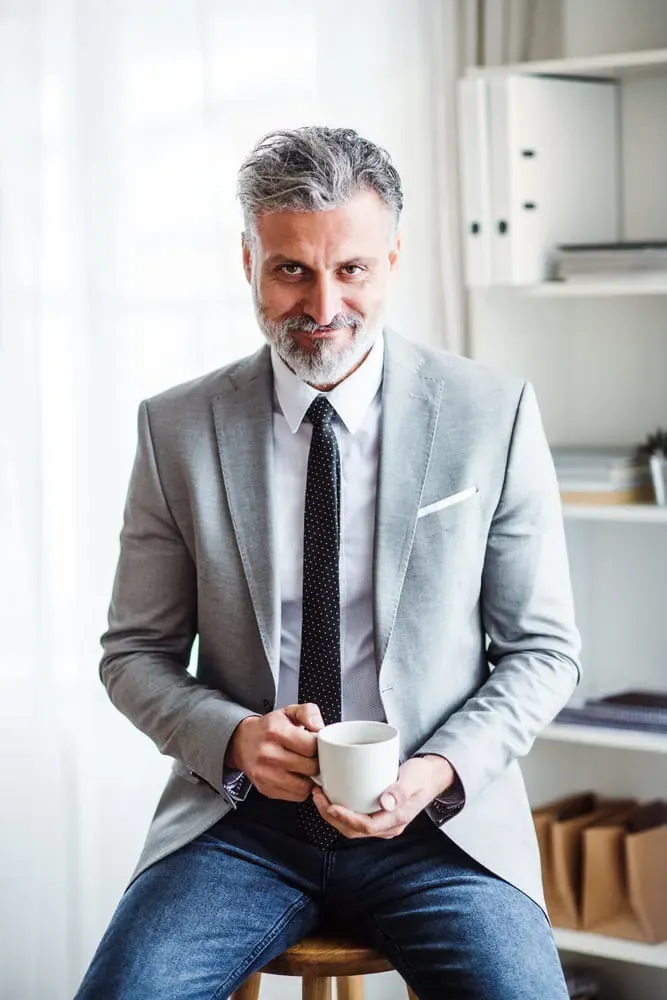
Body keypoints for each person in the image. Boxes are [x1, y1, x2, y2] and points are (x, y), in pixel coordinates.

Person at [75, 126, 580, 1000]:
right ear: (246, 263)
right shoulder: (176, 428)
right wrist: (233, 737)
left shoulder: (491, 413)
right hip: (238, 827)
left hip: (438, 825)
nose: (321, 306)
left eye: (350, 269)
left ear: (392, 260)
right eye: (290, 269)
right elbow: (132, 656)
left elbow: (542, 650)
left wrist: (436, 772)